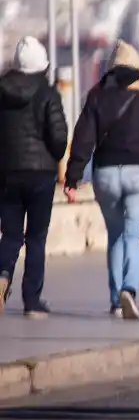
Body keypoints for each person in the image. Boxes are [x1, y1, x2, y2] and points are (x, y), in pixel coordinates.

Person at [64, 41, 139, 320]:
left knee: (115, 236)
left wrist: (73, 177)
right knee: (134, 235)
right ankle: (129, 289)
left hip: (106, 175)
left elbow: (83, 138)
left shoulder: (97, 98)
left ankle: (115, 300)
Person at [0, 37, 68, 319]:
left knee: (11, 235)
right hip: (41, 174)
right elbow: (59, 137)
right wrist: (53, 155)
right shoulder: (48, 93)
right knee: (36, 237)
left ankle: (3, 274)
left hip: (7, 173)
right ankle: (32, 301)